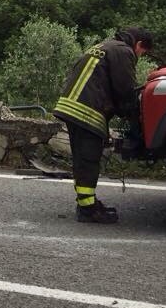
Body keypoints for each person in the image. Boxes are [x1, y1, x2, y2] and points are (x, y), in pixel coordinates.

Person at [53, 27, 154, 224]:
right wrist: (135, 116)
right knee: (89, 160)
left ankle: (86, 203)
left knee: (82, 160)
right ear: (139, 44)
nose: (140, 56)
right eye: (143, 52)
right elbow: (125, 90)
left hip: (72, 107)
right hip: (86, 110)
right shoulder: (124, 51)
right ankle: (87, 210)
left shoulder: (105, 46)